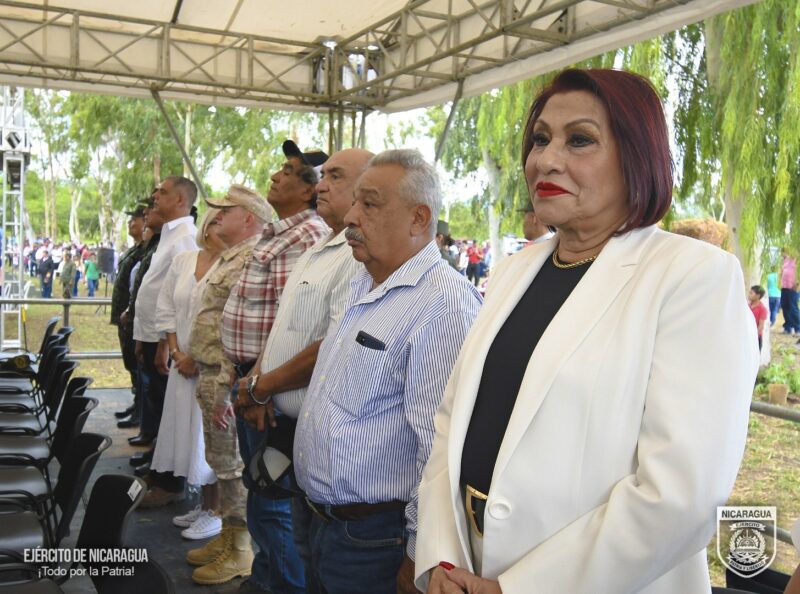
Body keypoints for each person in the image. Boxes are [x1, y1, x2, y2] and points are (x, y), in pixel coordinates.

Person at [415, 68, 760, 594]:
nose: (545, 160)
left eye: (579, 140)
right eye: (540, 139)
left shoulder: (691, 276)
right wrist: (442, 558)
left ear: (636, 157)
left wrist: (518, 588)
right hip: (467, 566)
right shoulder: (512, 272)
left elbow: (681, 493)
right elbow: (451, 423)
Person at [293, 149, 482, 594]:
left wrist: (419, 555)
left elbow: (439, 450)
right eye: (355, 202)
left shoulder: (443, 307)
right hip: (322, 521)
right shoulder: (365, 279)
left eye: (370, 204)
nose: (351, 217)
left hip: (373, 540)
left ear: (419, 219)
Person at [233, 147, 373, 594]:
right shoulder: (319, 247)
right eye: (322, 175)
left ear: (369, 188)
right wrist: (257, 381)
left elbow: (330, 346)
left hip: (312, 431)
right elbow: (283, 328)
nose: (321, 185)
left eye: (335, 176)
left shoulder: (358, 255)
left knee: (301, 542)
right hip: (282, 416)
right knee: (293, 532)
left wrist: (262, 387)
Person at [221, 140, 329, 592]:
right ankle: (265, 577)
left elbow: (291, 326)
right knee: (260, 487)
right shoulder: (280, 232)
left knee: (272, 493)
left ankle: (279, 585)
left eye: (287, 171)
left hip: (268, 385)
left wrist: (262, 386)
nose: (276, 175)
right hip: (253, 376)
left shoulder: (306, 236)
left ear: (308, 190)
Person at [186, 185, 269, 586]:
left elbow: (236, 332)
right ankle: (229, 535)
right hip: (210, 373)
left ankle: (240, 550)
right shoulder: (233, 255)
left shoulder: (251, 258)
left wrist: (223, 388)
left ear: (249, 218)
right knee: (221, 461)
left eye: (226, 211)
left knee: (231, 465)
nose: (217, 216)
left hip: (224, 376)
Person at [152, 208, 225, 540]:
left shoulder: (234, 265)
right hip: (182, 366)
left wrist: (198, 358)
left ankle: (216, 510)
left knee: (211, 437)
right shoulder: (184, 261)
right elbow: (166, 306)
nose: (219, 224)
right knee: (190, 435)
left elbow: (226, 320)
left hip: (212, 367)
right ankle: (204, 504)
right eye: (216, 219)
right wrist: (176, 352)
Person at [133, 176, 198, 507]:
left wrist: (163, 342)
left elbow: (178, 295)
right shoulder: (169, 234)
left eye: (163, 192)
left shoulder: (186, 237)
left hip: (164, 338)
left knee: (166, 411)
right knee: (158, 404)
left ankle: (170, 483)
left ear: (181, 201)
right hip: (152, 334)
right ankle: (160, 470)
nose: (155, 195)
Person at [112, 202, 148, 426]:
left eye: (135, 218)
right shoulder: (135, 249)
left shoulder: (146, 250)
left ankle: (141, 411)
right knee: (131, 364)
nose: (130, 222)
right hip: (125, 318)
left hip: (134, 318)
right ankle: (137, 405)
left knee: (137, 366)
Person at [780, 249, 799, 335]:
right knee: (785, 307)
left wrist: (797, 284)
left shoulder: (797, 260)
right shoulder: (785, 260)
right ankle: (788, 328)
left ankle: (798, 328)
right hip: (784, 287)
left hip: (793, 288)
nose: (783, 253)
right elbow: (782, 272)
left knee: (793, 308)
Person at [749, 285, 768, 351]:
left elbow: (761, 326)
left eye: (751, 293)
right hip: (747, 335)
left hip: (756, 337)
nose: (749, 295)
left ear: (758, 296)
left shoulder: (762, 309)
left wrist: (753, 336)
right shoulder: (748, 306)